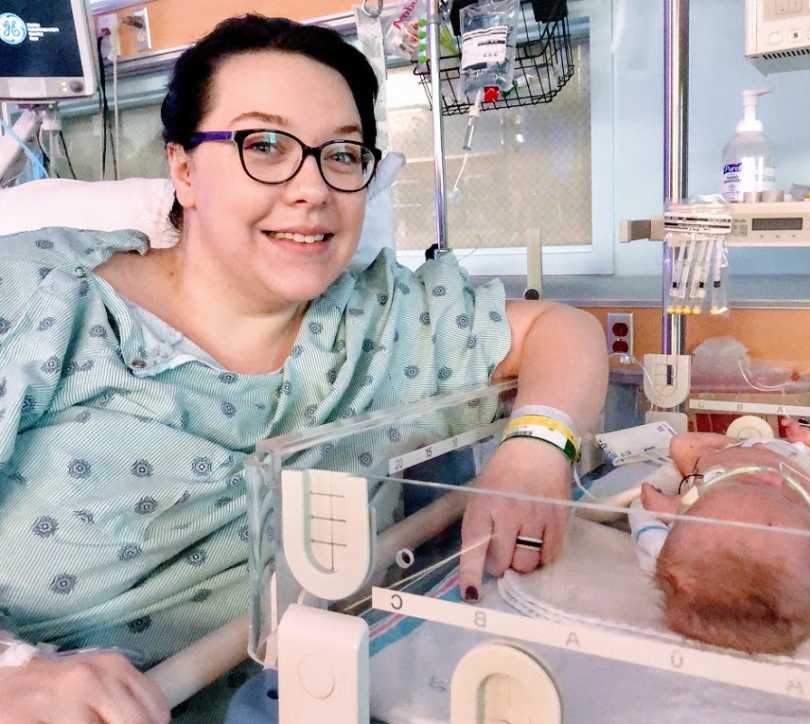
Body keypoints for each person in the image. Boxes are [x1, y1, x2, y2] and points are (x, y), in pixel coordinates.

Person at [0, 15, 607, 722]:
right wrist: (15, 674)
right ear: (185, 169)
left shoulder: (381, 321)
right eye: (264, 145)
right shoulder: (39, 301)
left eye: (342, 154)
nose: (312, 188)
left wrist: (537, 447)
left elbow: (563, 332)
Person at [635, 418, 810, 655]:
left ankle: (734, 439)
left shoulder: (692, 504)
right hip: (802, 463)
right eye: (789, 499)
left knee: (680, 445)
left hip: (727, 455)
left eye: (742, 486)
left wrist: (669, 507)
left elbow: (685, 501)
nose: (771, 478)